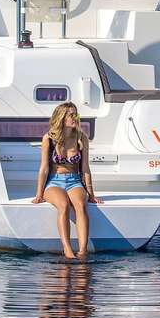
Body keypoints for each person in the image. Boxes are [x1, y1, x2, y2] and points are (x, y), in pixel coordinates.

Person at [32, 102, 102, 258]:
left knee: (80, 205)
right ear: (62, 117)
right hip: (54, 181)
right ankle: (68, 250)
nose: (75, 117)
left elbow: (85, 168)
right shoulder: (49, 138)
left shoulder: (81, 137)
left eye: (76, 114)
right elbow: (43, 168)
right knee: (63, 205)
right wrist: (39, 194)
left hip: (74, 180)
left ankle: (83, 251)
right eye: (71, 114)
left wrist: (91, 194)